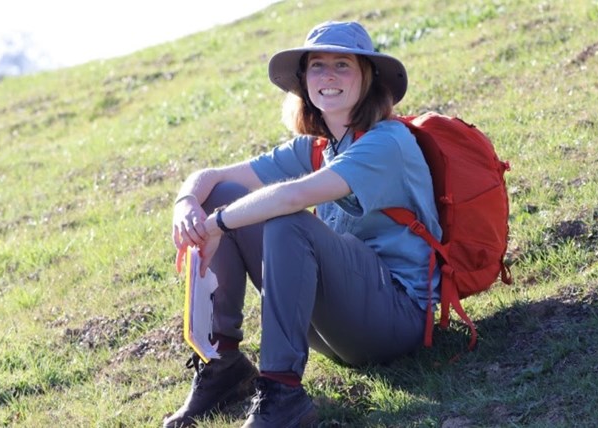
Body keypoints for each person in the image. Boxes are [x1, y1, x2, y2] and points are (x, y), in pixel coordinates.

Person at [163, 20, 441, 428]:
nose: (328, 76)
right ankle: (222, 362)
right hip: (338, 325)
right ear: (304, 81)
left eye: (342, 65)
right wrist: (187, 202)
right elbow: (214, 178)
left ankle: (281, 393)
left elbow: (292, 198)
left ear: (368, 78)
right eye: (317, 66)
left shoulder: (387, 143)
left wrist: (216, 225)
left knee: (285, 221)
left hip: (397, 320)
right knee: (224, 195)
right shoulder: (318, 147)